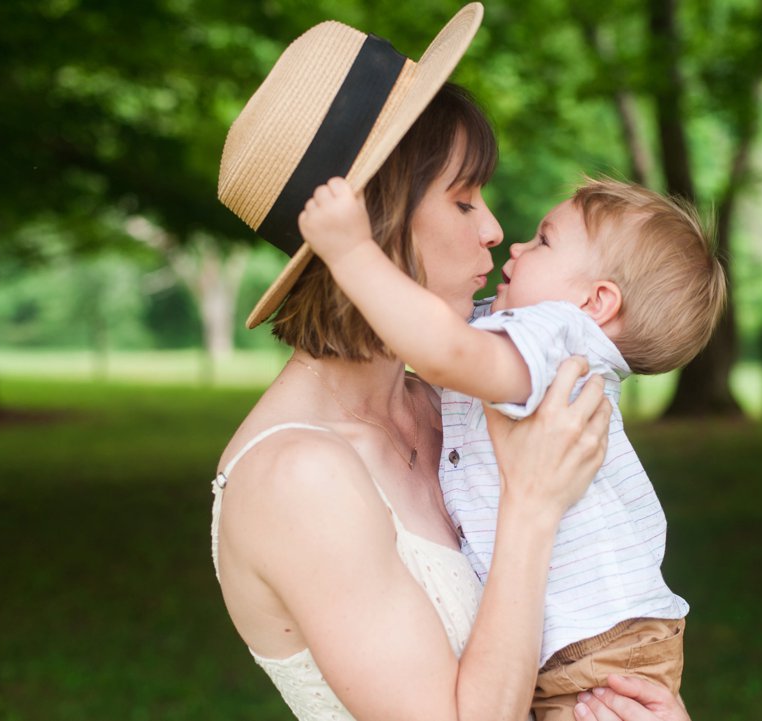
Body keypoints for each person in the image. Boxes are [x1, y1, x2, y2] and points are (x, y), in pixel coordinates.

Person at [211, 5, 688, 721]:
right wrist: (531, 508)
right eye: (464, 201)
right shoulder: (298, 478)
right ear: (374, 223)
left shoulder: (453, 407)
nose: (496, 230)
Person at [297, 171, 726, 719]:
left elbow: (444, 352)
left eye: (544, 240)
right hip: (600, 641)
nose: (514, 243)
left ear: (595, 302)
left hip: (596, 650)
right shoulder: (529, 334)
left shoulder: (555, 338)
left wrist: (352, 251)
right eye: (462, 202)